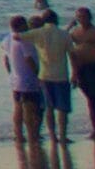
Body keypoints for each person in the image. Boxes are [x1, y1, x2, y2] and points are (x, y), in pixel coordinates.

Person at [27, 12, 75, 149]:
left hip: (42, 77)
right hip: (57, 76)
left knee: (47, 108)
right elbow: (60, 38)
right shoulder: (48, 36)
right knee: (60, 108)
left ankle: (51, 136)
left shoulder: (36, 37)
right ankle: (59, 135)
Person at [66, 7, 95, 142]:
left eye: (84, 16)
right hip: (80, 67)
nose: (82, 19)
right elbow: (63, 39)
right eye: (79, 17)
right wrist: (69, 25)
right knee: (89, 98)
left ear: (90, 17)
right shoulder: (75, 32)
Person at [4, 14, 43, 143]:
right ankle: (33, 135)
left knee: (18, 108)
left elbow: (5, 59)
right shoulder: (24, 40)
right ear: (21, 26)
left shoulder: (8, 38)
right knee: (31, 109)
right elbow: (29, 59)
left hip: (15, 80)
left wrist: (11, 73)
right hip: (28, 80)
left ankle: (18, 134)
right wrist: (39, 74)